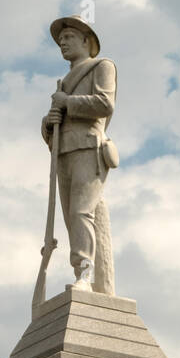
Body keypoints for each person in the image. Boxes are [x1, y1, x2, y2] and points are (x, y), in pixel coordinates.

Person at [42, 15, 117, 295]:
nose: (62, 42)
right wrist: (48, 123)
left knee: (81, 212)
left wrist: (67, 103)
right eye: (60, 40)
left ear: (86, 40)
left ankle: (84, 273)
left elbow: (105, 103)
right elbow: (55, 122)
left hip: (88, 147)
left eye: (68, 37)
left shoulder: (102, 66)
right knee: (70, 217)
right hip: (63, 152)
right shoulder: (63, 82)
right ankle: (82, 271)